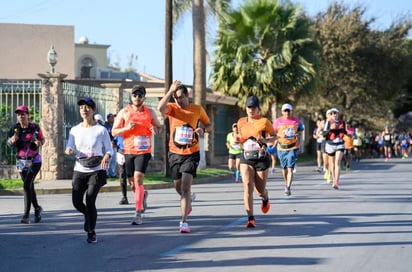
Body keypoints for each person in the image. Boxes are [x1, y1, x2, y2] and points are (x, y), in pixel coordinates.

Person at [157, 80, 212, 233]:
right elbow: (160, 107)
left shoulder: (197, 109)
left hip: (191, 153)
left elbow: (209, 125)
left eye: (180, 97)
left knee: (186, 186)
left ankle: (183, 222)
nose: (178, 100)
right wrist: (170, 91)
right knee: (178, 187)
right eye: (175, 98)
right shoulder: (172, 108)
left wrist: (203, 131)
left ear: (187, 95)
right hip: (174, 152)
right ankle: (187, 202)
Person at [65, 97, 114, 243]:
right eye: (81, 107)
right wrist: (69, 149)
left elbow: (110, 149)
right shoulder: (74, 130)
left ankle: (91, 231)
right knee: (76, 202)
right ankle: (88, 215)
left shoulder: (101, 130)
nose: (84, 110)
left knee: (90, 199)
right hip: (80, 169)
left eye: (87, 107)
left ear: (93, 110)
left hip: (97, 170)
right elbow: (70, 145)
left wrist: (106, 155)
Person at [112, 85, 161, 225]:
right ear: (131, 97)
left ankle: (138, 213)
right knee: (133, 184)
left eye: (140, 95)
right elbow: (114, 132)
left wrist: (155, 129)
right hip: (128, 151)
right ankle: (143, 195)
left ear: (144, 97)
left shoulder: (149, 112)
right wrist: (126, 128)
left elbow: (159, 128)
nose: (137, 97)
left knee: (138, 178)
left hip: (144, 151)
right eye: (135, 95)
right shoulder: (124, 112)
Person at [236, 95, 276, 228]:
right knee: (247, 185)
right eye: (249, 107)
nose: (251, 110)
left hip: (261, 158)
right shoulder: (241, 122)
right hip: (246, 157)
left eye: (253, 107)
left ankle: (265, 198)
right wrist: (238, 140)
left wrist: (266, 141)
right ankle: (250, 218)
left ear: (258, 109)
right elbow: (241, 139)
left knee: (260, 190)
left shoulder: (264, 121)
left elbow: (274, 137)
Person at [7, 105, 45, 224]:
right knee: (29, 186)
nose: (20, 116)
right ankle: (37, 208)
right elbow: (8, 142)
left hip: (34, 161)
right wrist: (11, 141)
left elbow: (42, 140)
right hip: (21, 162)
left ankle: (26, 216)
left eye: (23, 114)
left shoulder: (35, 127)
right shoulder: (15, 128)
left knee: (26, 185)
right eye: (18, 114)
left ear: (28, 115)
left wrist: (39, 142)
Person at [273, 103, 304, 196]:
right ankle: (286, 183)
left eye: (288, 110)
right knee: (284, 168)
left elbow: (301, 130)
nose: (287, 112)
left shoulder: (296, 121)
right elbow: (273, 134)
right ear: (282, 112)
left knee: (290, 168)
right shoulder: (277, 121)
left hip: (293, 146)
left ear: (291, 111)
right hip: (281, 147)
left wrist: (298, 134)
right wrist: (280, 135)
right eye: (285, 111)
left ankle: (288, 187)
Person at [323, 108, 347, 189]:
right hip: (330, 144)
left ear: (338, 114)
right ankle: (333, 179)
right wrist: (331, 129)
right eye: (332, 113)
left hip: (340, 144)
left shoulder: (342, 122)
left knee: (337, 162)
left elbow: (345, 132)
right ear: (330, 115)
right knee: (332, 164)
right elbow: (324, 133)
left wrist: (341, 130)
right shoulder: (328, 123)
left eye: (335, 113)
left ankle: (336, 181)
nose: (334, 115)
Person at [113, 135, 129, 205]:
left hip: (131, 153)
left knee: (133, 176)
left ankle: (140, 195)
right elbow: (114, 142)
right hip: (121, 152)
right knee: (122, 175)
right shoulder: (119, 130)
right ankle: (124, 197)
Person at [105, 113, 117, 178]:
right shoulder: (106, 125)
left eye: (113, 117)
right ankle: (106, 173)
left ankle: (112, 173)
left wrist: (114, 142)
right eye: (111, 117)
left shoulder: (115, 125)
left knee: (113, 160)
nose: (113, 118)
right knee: (107, 159)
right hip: (108, 145)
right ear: (108, 118)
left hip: (114, 145)